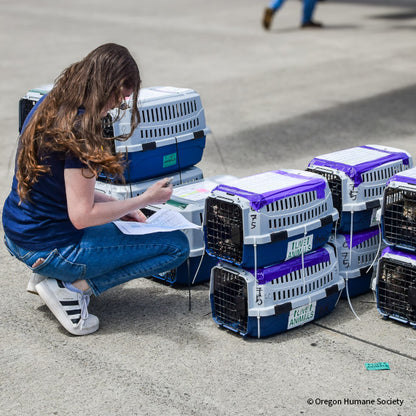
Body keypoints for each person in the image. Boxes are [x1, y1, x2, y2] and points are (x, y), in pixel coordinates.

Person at [2, 43, 190, 336]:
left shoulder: (51, 102)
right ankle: (70, 288)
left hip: (18, 235)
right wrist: (144, 199)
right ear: (107, 86)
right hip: (49, 246)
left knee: (117, 224)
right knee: (177, 246)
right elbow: (82, 215)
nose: (119, 105)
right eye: (121, 96)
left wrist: (121, 206)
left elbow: (62, 191)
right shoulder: (81, 131)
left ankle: (48, 274)